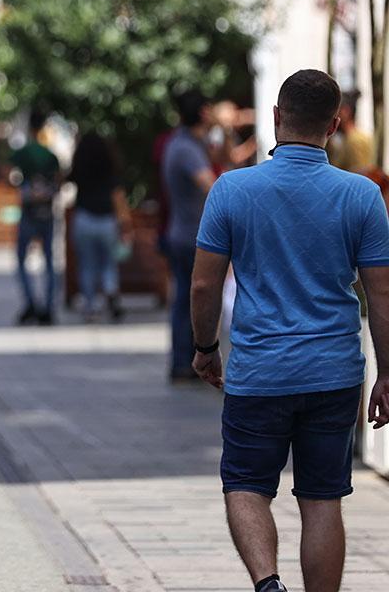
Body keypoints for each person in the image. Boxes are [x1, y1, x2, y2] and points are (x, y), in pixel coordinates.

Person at [191, 70, 389, 592]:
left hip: (260, 371)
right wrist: (387, 374)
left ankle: (267, 583)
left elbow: (203, 287)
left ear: (277, 118)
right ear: (336, 124)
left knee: (246, 485)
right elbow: (384, 294)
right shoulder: (363, 196)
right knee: (323, 499)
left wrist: (206, 348)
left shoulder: (232, 190)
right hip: (334, 372)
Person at [163, 91, 217, 382]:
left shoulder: (186, 144)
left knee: (185, 298)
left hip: (182, 232)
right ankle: (184, 361)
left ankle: (184, 360)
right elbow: (211, 185)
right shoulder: (186, 148)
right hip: (190, 235)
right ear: (203, 113)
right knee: (190, 299)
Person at [67, 133, 130, 322]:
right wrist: (125, 224)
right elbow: (117, 197)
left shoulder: (80, 168)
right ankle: (111, 292)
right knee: (108, 264)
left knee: (87, 265)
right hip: (107, 221)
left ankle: (90, 305)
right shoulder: (110, 169)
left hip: (84, 218)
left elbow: (65, 180)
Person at [9, 112, 61, 325]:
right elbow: (59, 181)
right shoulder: (50, 155)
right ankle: (48, 306)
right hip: (47, 213)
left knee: (22, 260)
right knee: (49, 261)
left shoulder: (23, 153)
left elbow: (7, 174)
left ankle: (31, 302)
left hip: (29, 212)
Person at [330, 90, 372, 175]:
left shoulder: (355, 141)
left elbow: (360, 177)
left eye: (336, 111)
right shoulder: (349, 139)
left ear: (345, 111)